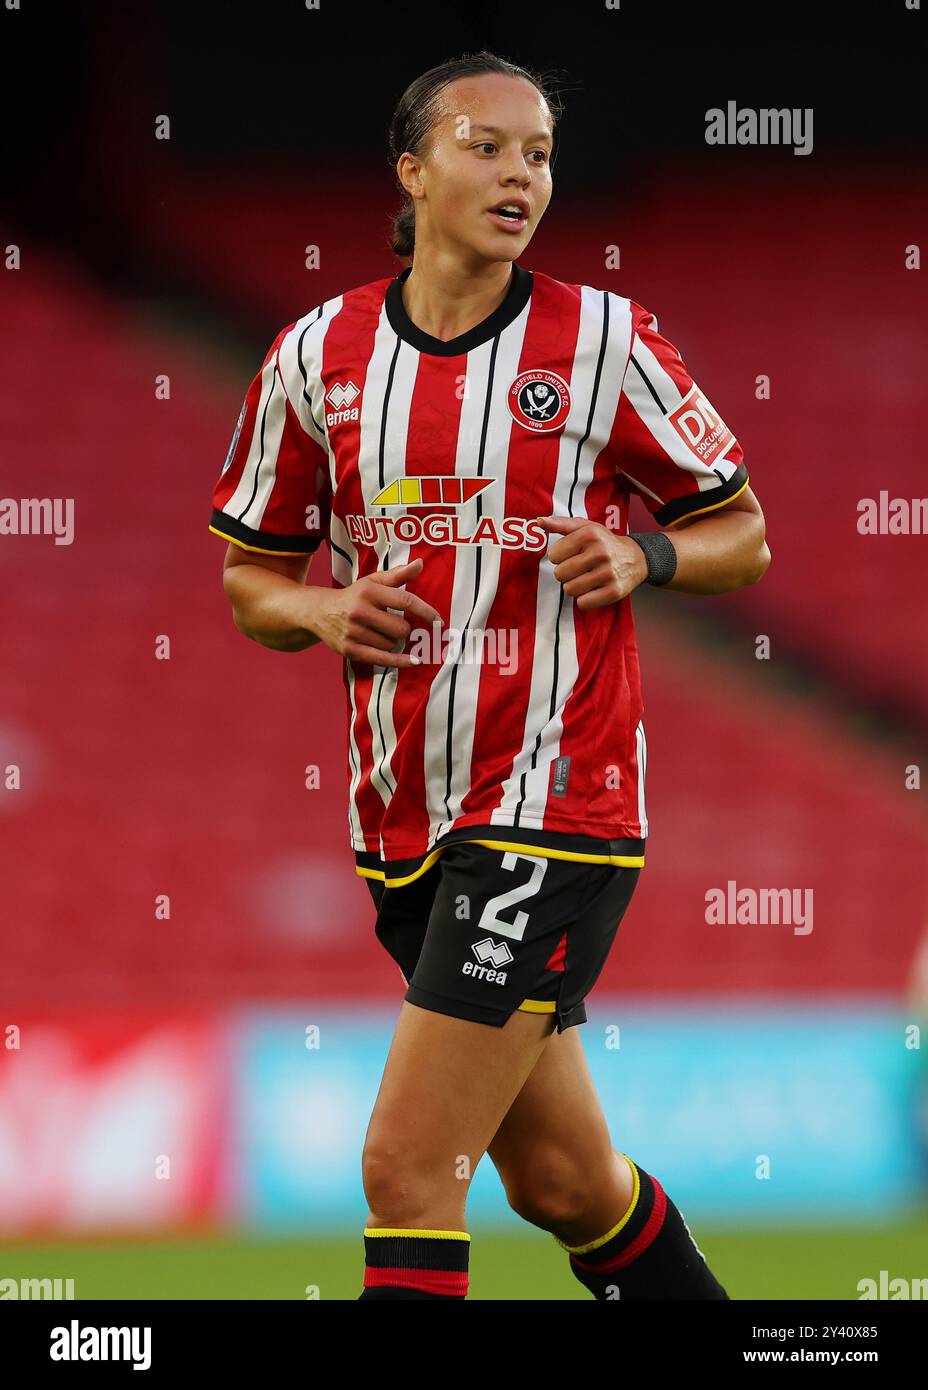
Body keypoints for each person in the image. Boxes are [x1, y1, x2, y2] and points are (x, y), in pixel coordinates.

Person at [209, 50, 770, 1300]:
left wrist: (645, 550)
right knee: (565, 1184)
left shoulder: (606, 342)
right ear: (412, 170)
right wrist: (320, 602)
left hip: (551, 806)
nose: (521, 172)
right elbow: (250, 582)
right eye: (487, 144)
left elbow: (745, 531)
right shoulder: (318, 355)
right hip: (403, 818)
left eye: (540, 154)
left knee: (407, 1171)